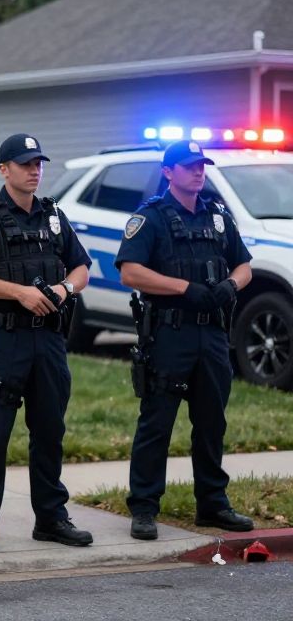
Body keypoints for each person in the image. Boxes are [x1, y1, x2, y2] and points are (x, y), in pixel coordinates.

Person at [0, 133, 93, 556]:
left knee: (49, 430)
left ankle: (50, 518)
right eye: (26, 164)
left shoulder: (52, 216)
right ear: (4, 169)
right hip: (5, 339)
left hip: (49, 339)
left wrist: (64, 289)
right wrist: (20, 293)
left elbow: (82, 266)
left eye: (39, 164)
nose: (35, 171)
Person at [116, 139, 254, 540]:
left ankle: (212, 504)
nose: (199, 171)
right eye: (190, 165)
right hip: (169, 333)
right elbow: (130, 272)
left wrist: (231, 284)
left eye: (202, 165)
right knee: (157, 423)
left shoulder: (217, 216)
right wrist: (182, 288)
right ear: (168, 172)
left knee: (211, 422)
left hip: (211, 334)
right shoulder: (151, 218)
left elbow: (244, 264)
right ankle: (144, 508)